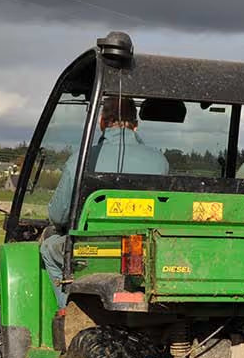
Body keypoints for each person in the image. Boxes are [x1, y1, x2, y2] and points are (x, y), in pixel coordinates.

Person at [42, 95, 170, 307]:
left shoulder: (80, 160)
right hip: (146, 250)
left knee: (49, 247)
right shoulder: (159, 161)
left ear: (102, 122)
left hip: (93, 249)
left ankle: (67, 310)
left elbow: (58, 215)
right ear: (135, 126)